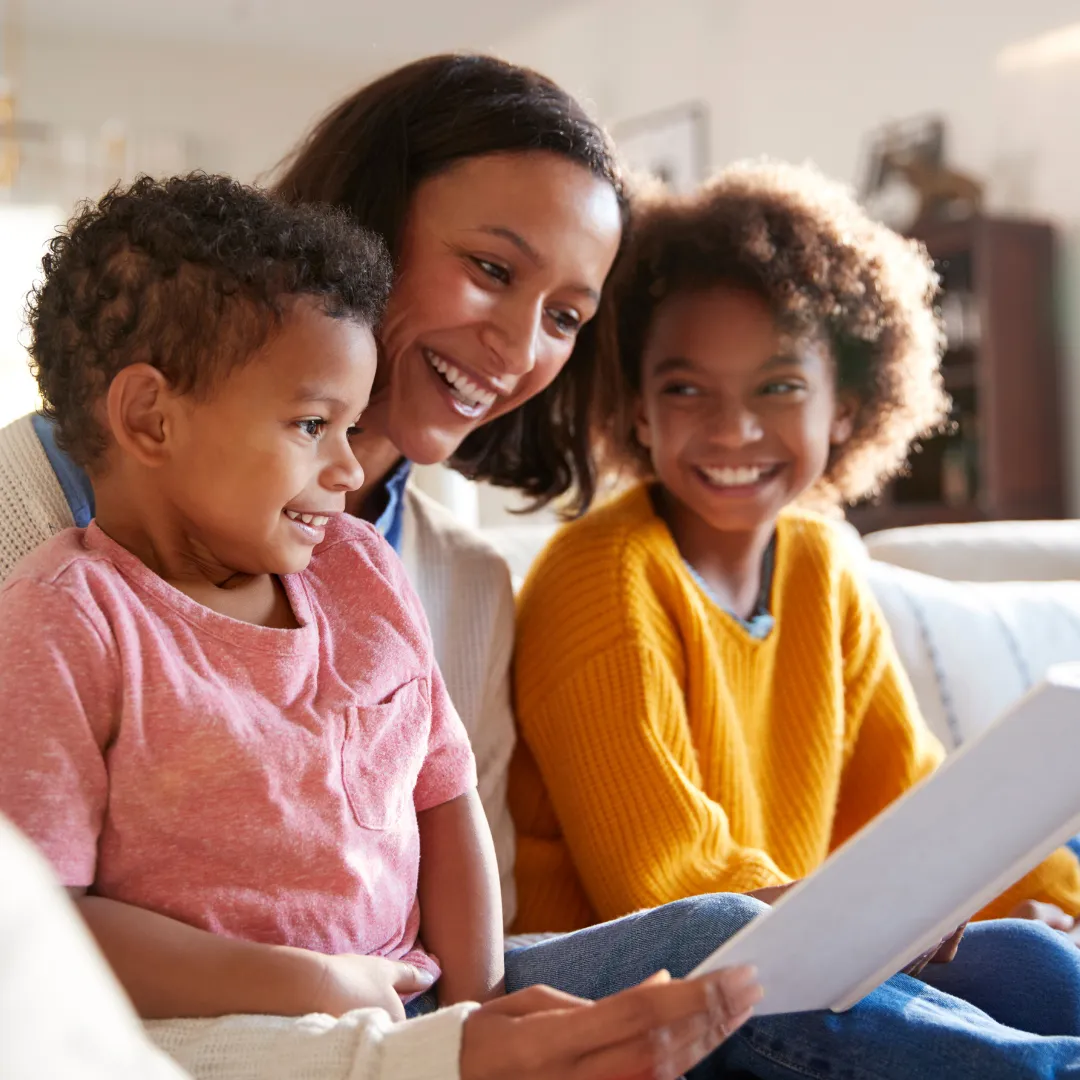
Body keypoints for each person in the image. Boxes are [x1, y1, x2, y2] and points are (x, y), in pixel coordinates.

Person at [0, 173, 759, 1080]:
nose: (347, 464)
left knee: (737, 935)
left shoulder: (359, 570)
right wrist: (311, 985)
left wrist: (481, 1008)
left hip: (441, 991)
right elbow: (48, 922)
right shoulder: (69, 621)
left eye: (353, 426)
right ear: (150, 418)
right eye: (312, 423)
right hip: (255, 1030)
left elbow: (446, 800)